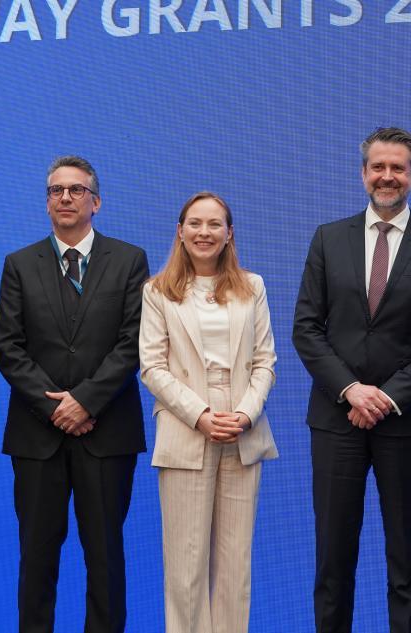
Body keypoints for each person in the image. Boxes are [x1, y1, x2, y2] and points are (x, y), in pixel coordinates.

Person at [293, 127, 411, 633]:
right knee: (332, 559)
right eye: (377, 167)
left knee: (406, 558)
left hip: (403, 422)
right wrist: (350, 389)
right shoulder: (328, 237)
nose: (386, 176)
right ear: (363, 172)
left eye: (397, 168)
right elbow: (306, 327)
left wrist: (386, 397)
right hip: (335, 418)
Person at [0, 155, 149, 633]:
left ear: (96, 202)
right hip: (37, 437)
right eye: (56, 191)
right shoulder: (20, 264)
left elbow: (134, 342)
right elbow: (8, 346)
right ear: (46, 204)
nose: (65, 197)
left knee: (105, 557)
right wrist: (56, 407)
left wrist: (86, 400)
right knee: (36, 559)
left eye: (76, 190)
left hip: (108, 433)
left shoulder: (129, 260)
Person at [139, 191, 277, 633]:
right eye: (195, 224)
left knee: (235, 565)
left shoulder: (251, 286)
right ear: (180, 232)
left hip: (242, 429)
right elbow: (152, 367)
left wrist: (246, 414)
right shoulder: (157, 292)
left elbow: (264, 361)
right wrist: (200, 414)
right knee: (186, 565)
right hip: (185, 427)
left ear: (229, 233)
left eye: (214, 224)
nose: (204, 232)